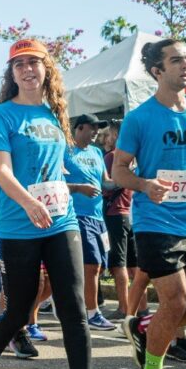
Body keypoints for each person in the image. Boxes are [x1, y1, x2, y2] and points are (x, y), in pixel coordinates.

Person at [0, 38, 110, 369]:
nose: (28, 69)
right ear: (12, 75)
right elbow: (0, 172)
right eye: (20, 65)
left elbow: (54, 169)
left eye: (35, 63)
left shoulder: (55, 114)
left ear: (47, 70)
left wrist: (70, 189)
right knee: (18, 310)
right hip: (18, 225)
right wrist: (29, 202)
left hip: (61, 220)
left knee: (73, 307)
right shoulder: (2, 116)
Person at [112, 38, 186, 369]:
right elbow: (119, 170)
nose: (185, 65)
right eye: (176, 60)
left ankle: (145, 327)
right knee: (174, 302)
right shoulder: (139, 118)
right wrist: (144, 184)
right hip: (155, 221)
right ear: (157, 70)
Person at [65, 114, 117, 331]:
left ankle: (64, 306)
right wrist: (78, 188)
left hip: (98, 217)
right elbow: (54, 182)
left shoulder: (96, 152)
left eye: (99, 128)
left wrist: (132, 175)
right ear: (79, 128)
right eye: (93, 128)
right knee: (91, 265)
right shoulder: (65, 150)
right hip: (76, 216)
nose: (97, 132)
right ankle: (92, 313)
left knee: (99, 265)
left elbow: (106, 182)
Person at [101, 120, 138, 322]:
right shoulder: (132, 157)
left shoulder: (112, 157)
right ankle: (136, 308)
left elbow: (106, 186)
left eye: (108, 135)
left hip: (115, 213)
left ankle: (124, 308)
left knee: (119, 263)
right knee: (133, 265)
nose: (106, 139)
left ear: (115, 136)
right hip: (130, 213)